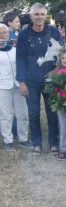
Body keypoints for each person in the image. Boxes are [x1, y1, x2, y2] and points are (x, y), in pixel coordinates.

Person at [16, 3, 62, 154]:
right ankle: (37, 143)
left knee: (52, 112)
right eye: (36, 14)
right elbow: (20, 59)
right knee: (34, 113)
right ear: (31, 16)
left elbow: (63, 56)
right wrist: (22, 82)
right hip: (31, 81)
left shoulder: (54, 32)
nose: (40, 17)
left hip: (50, 79)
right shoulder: (24, 34)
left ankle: (54, 143)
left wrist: (56, 70)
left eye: (42, 14)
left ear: (46, 16)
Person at [0, 23, 30, 151]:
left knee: (22, 113)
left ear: (8, 33)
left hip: (19, 85)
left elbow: (23, 65)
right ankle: (8, 141)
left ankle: (23, 139)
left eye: (4, 32)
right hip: (3, 87)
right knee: (6, 115)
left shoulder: (16, 49)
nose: (2, 35)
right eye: (0, 33)